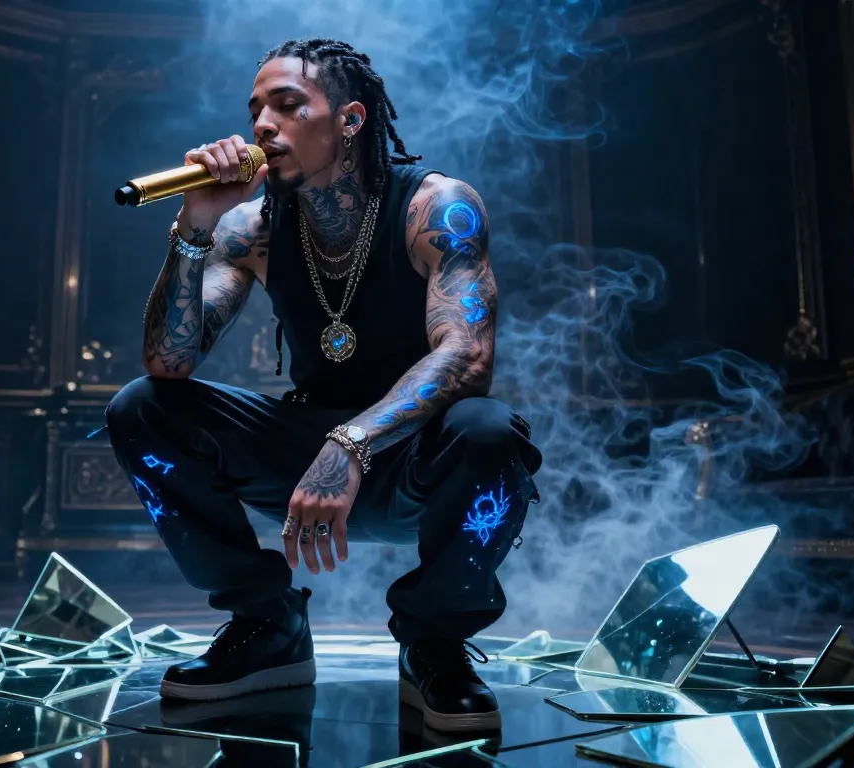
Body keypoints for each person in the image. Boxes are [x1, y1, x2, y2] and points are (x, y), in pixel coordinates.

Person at [102, 37, 542, 734]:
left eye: (287, 105)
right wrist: (194, 225)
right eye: (255, 110)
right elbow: (168, 361)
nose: (262, 126)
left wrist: (352, 443)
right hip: (304, 449)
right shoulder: (250, 227)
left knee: (489, 430)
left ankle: (434, 644)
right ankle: (267, 625)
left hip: (410, 455)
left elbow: (466, 356)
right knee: (142, 408)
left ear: (350, 120)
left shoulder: (436, 208)